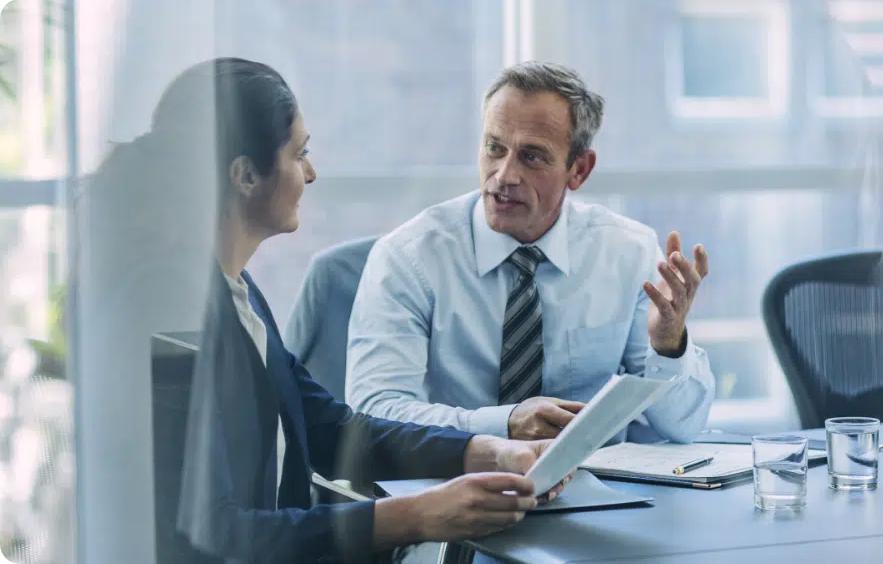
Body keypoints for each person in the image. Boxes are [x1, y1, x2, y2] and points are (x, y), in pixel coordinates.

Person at [95, 57, 568, 564]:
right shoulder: (168, 303)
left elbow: (336, 430)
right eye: (300, 155)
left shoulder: (236, 291)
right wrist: (415, 516)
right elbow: (214, 534)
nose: (312, 173)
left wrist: (487, 451)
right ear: (246, 175)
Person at [335, 61, 715, 445]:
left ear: (579, 170)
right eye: (494, 148)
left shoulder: (626, 253)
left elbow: (683, 426)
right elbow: (374, 414)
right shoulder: (409, 258)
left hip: (595, 492)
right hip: (450, 488)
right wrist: (504, 425)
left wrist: (668, 345)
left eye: (531, 157)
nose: (504, 175)